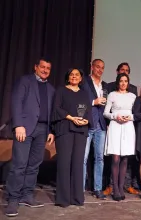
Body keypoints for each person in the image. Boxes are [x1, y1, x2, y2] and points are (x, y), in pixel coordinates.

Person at [5, 58, 55, 217]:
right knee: (19, 164)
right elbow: (16, 102)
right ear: (36, 67)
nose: (45, 70)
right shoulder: (25, 81)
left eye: (48, 68)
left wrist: (50, 130)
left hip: (42, 130)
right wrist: (18, 125)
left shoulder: (51, 89)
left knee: (34, 165)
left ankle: (27, 195)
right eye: (42, 67)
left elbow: (51, 112)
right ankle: (13, 199)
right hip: (24, 129)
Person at [51, 68, 92, 207]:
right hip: (65, 129)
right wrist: (70, 117)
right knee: (64, 163)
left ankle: (77, 198)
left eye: (77, 75)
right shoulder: (61, 91)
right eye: (71, 75)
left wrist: (86, 120)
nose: (74, 77)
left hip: (80, 131)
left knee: (78, 163)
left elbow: (88, 111)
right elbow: (56, 108)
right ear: (68, 77)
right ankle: (63, 199)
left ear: (81, 78)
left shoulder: (85, 94)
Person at [104, 62, 139, 196]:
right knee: (116, 158)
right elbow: (106, 112)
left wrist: (128, 117)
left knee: (125, 159)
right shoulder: (112, 94)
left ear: (128, 83)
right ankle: (115, 190)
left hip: (128, 127)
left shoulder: (132, 96)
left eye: (126, 81)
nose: (123, 83)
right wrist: (116, 116)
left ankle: (120, 187)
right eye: (121, 81)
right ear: (118, 82)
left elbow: (136, 113)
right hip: (115, 126)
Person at [81, 59, 108, 199]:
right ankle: (80, 189)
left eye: (102, 68)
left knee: (99, 158)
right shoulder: (84, 82)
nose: (100, 70)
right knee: (83, 158)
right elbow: (78, 99)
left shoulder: (105, 85)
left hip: (101, 125)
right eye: (97, 67)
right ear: (92, 67)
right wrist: (93, 102)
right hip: (87, 123)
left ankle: (98, 188)